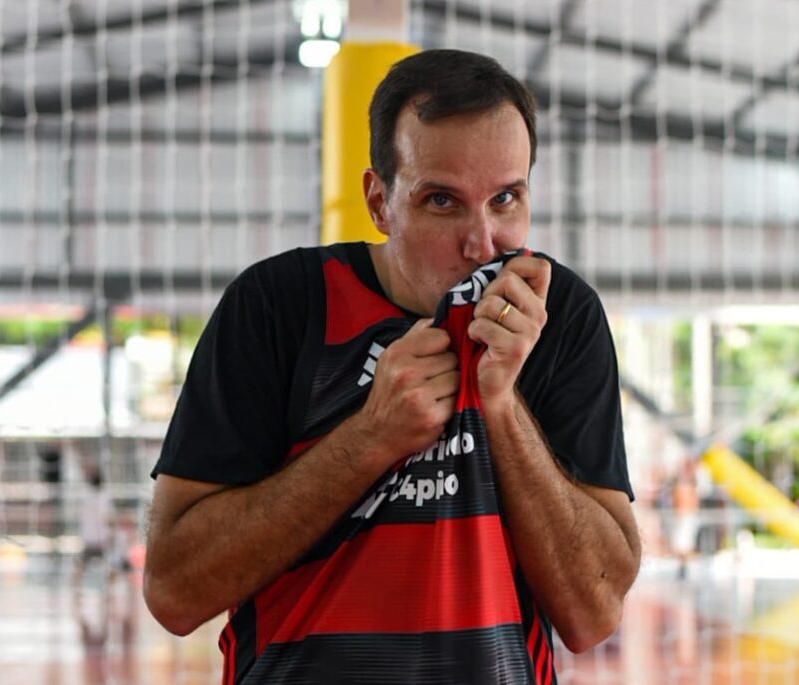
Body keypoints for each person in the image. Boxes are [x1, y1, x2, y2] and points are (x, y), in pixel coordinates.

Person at [143, 48, 641, 683]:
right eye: (442, 201)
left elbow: (592, 614)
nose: (482, 242)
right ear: (380, 202)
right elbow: (174, 593)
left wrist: (502, 409)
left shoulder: (560, 315)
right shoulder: (279, 304)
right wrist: (369, 439)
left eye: (506, 199)